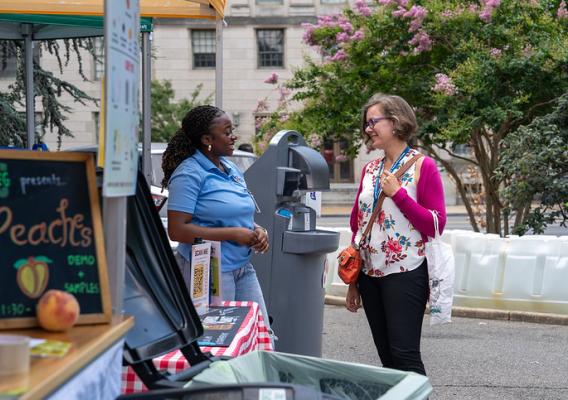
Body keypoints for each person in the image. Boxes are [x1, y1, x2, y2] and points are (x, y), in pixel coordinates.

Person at [346, 94, 447, 376]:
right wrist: (353, 281)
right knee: (387, 358)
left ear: (396, 121)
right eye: (366, 124)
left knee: (405, 354)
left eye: (373, 122)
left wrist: (399, 195)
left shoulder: (422, 166)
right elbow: (358, 224)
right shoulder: (370, 169)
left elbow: (436, 225)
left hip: (406, 272)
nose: (368, 129)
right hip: (369, 275)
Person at [161, 105, 272, 336]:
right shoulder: (189, 173)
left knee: (260, 334)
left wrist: (257, 230)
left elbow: (236, 214)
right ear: (206, 139)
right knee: (217, 339)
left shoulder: (230, 168)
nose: (234, 137)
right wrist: (233, 234)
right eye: (228, 131)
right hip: (209, 270)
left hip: (242, 268)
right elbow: (177, 230)